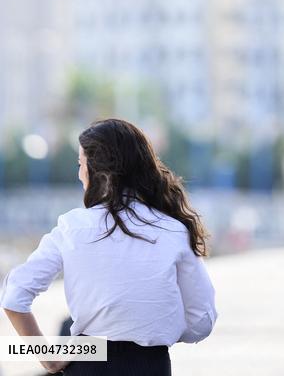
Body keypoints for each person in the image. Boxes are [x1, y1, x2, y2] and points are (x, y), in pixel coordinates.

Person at [1, 118, 217, 374]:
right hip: (150, 364)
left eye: (81, 164)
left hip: (87, 361)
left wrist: (48, 358)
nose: (79, 173)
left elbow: (15, 296)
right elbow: (202, 319)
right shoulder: (173, 230)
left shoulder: (72, 227)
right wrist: (155, 331)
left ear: (96, 171)